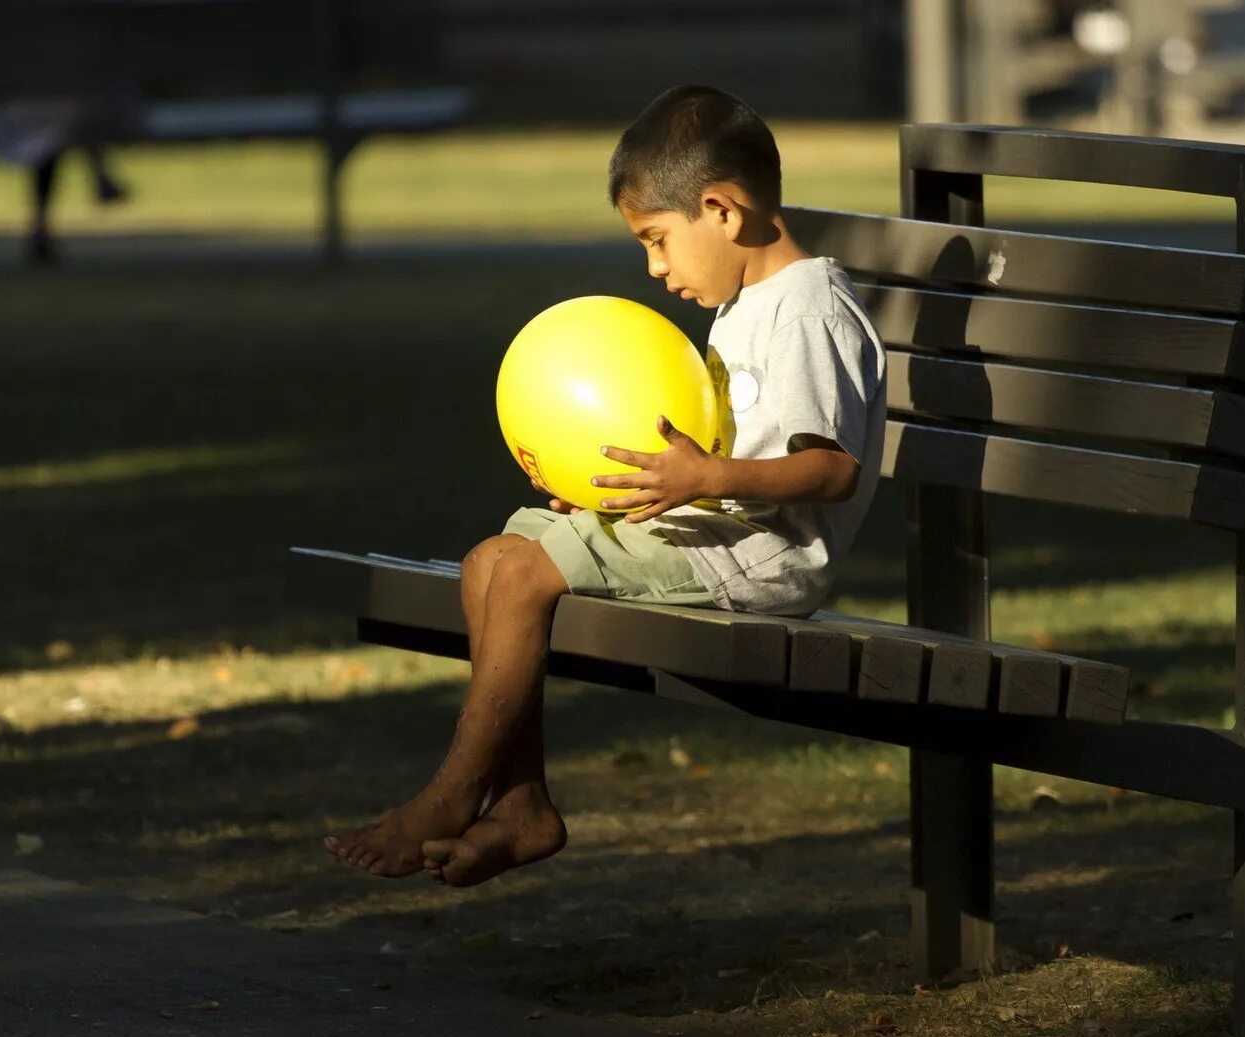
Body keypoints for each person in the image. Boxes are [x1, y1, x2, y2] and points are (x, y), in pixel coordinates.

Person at [322, 85, 888, 887]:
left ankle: (450, 798)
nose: (655, 269)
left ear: (722, 210)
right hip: (715, 535)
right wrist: (612, 493)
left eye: (657, 241)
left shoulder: (805, 314)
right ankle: (521, 804)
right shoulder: (751, 302)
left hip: (758, 562)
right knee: (498, 557)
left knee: (520, 572)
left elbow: (832, 470)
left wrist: (704, 476)